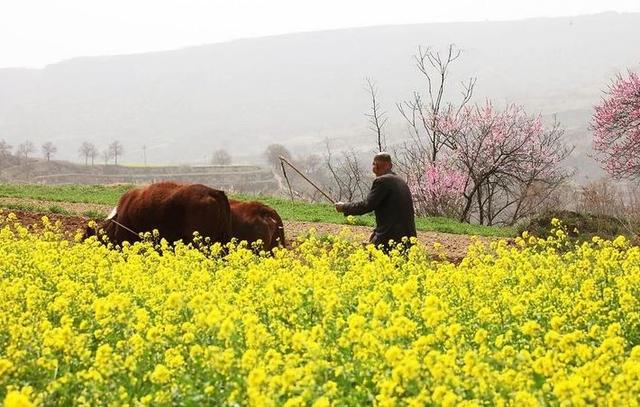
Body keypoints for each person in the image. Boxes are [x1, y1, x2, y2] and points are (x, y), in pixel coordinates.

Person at [335, 152, 417, 249]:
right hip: (409, 239)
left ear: (376, 167)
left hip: (390, 239)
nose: (375, 168)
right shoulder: (400, 180)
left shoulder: (382, 181)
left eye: (376, 165)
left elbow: (366, 205)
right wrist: (375, 233)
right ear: (391, 165)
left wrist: (344, 207)